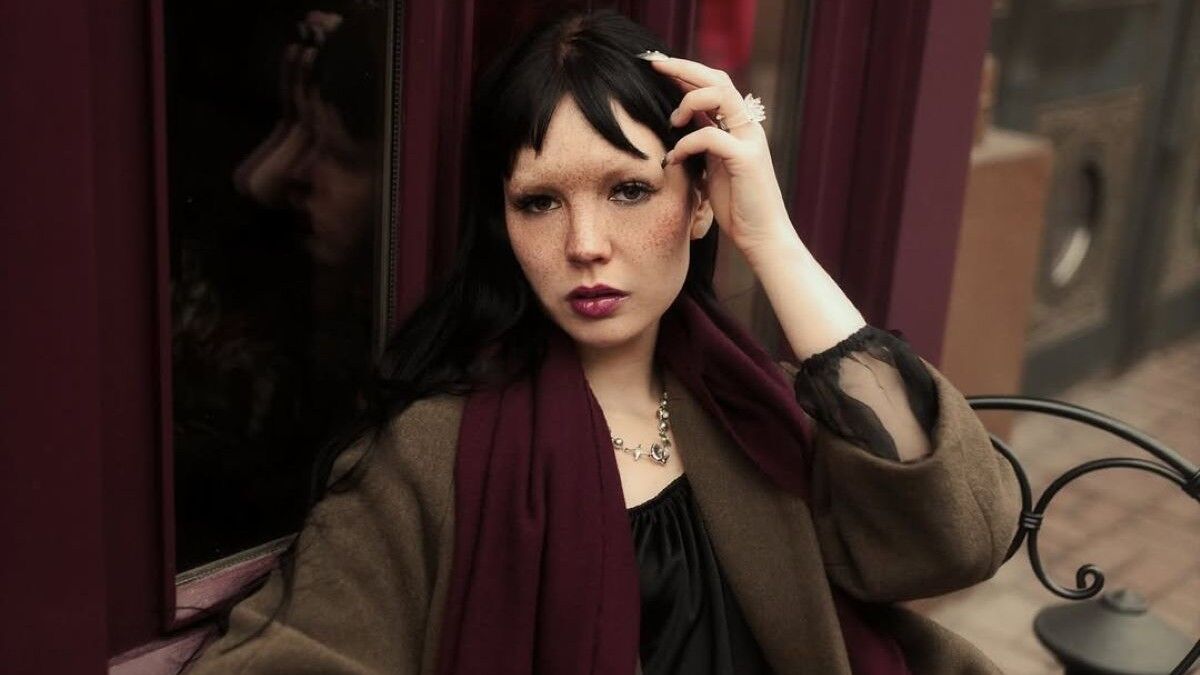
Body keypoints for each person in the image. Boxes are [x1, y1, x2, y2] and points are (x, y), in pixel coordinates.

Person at [185, 7, 1020, 674]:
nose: (585, 244)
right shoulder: (434, 454)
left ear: (699, 201)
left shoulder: (757, 413)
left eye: (628, 190)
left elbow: (956, 540)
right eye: (540, 202)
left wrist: (773, 241)